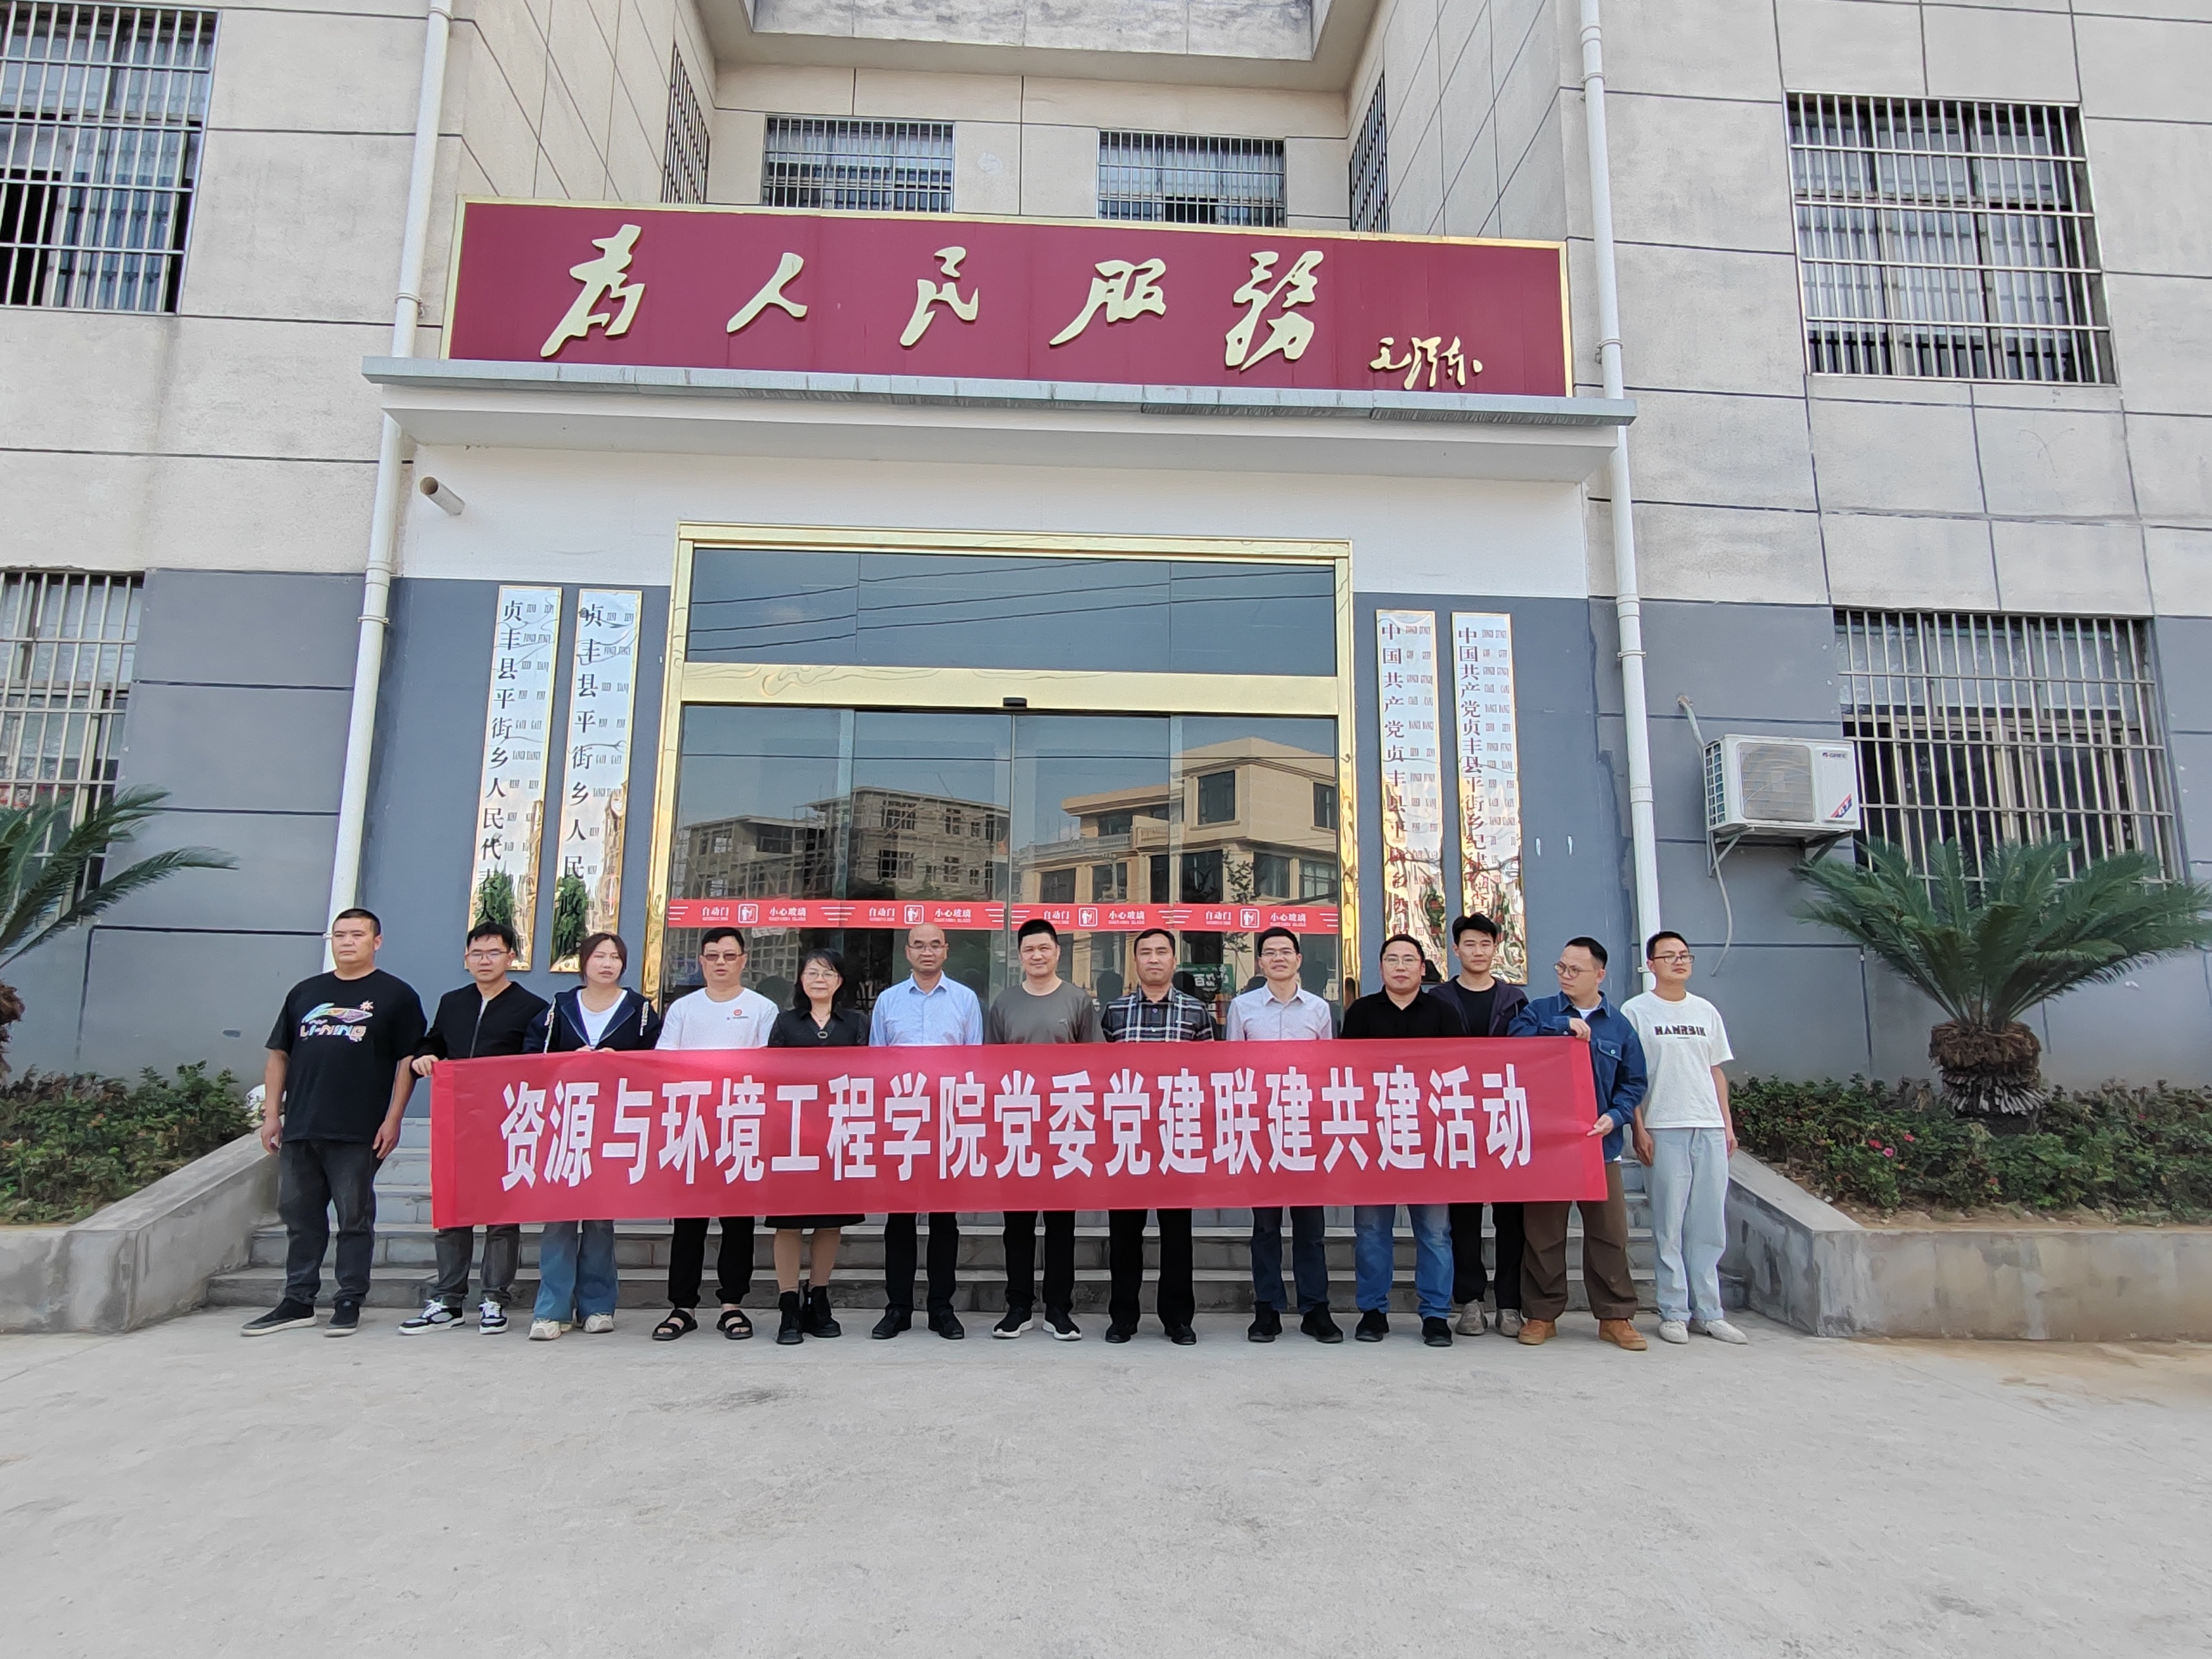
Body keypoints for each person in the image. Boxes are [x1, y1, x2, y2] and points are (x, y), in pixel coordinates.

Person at [241, 908, 427, 1338]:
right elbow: (279, 1056)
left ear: (376, 942)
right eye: (340, 934)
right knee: (300, 1217)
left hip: (358, 1128)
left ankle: (349, 1299)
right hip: (301, 1125)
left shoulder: (396, 995)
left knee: (354, 1219)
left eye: (357, 935)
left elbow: (407, 1062)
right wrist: (272, 1115)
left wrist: (394, 1118)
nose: (347, 942)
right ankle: (298, 1299)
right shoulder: (305, 992)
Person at [398, 920, 549, 1336]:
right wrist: (425, 1056)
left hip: (506, 1122)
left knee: (501, 1216)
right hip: (457, 1120)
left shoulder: (532, 1006)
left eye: (494, 953)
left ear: (511, 958)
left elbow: (538, 1062)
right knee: (452, 1210)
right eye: (477, 954)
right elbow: (434, 1041)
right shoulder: (453, 1002)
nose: (485, 961)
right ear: (466, 959)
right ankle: (448, 1298)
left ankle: (494, 1298)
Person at [1510, 935, 1649, 1351]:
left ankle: (1615, 1315)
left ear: (1599, 974)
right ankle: (1541, 1314)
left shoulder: (1619, 1026)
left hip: (1599, 1146)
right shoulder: (1538, 1012)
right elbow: (1512, 1044)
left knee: (1609, 1233)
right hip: (1549, 1145)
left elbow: (1633, 1082)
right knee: (1543, 1233)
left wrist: (1617, 1116)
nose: (1566, 975)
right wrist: (1560, 1027)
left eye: (1576, 970)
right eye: (1561, 968)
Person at [523, 931, 661, 1340]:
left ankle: (598, 1306)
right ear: (583, 962)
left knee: (601, 1217)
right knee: (559, 1218)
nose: (607, 964)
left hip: (613, 1123)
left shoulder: (639, 1010)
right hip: (565, 1122)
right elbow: (530, 1055)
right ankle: (551, 1310)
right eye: (599, 956)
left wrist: (624, 1063)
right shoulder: (560, 1007)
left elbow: (659, 1062)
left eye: (615, 957)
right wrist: (567, 1061)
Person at [651, 926, 775, 1343]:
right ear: (701, 961)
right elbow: (665, 1064)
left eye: (729, 955)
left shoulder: (762, 1009)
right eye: (713, 955)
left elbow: (767, 1067)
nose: (721, 962)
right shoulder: (683, 1009)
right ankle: (682, 1306)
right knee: (689, 1222)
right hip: (692, 1125)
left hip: (741, 1123)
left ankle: (732, 1305)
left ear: (743, 961)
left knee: (738, 1222)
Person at [1624, 931, 1748, 1347]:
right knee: (1669, 1225)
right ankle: (1674, 1310)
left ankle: (1709, 1312)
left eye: (1685, 955)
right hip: (1664, 1126)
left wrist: (1726, 1124)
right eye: (1669, 956)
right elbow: (1631, 1076)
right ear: (1651, 964)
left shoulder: (1706, 1011)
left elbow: (1715, 1071)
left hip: (1708, 1127)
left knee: (1709, 1224)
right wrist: (1638, 1127)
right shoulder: (1636, 1011)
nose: (1679, 962)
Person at [1341, 934, 1465, 1348]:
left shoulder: (1443, 1013)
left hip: (1430, 1139)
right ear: (1380, 968)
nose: (1400, 966)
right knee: (1371, 1231)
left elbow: (1461, 1071)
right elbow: (1345, 1072)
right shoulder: (1361, 1012)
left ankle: (1435, 1315)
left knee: (1435, 1232)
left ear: (1422, 969)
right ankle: (1373, 1311)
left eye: (1408, 959)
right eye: (1391, 959)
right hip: (1374, 1139)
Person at [985, 918, 1102, 1341]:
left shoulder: (1078, 1000)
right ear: (1020, 956)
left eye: (1044, 949)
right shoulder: (1004, 1003)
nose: (1037, 956)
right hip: (1017, 1125)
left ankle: (1058, 1308)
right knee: (1016, 1223)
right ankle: (1018, 1306)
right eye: (1029, 950)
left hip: (1063, 1126)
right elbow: (990, 1066)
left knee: (1060, 1223)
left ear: (1057, 953)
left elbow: (1094, 1063)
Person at [1226, 926, 1341, 1344]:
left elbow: (1328, 1071)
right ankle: (1267, 1309)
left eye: (1286, 951)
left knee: (1311, 1227)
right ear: (1260, 962)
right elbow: (1232, 1070)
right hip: (1261, 1128)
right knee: (1265, 1228)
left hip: (1306, 1129)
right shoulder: (1242, 1008)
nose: (1279, 958)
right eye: (1270, 952)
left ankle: (1316, 1308)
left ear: (1298, 959)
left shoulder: (1319, 1009)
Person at [867, 922, 982, 1341]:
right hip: (900, 1121)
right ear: (908, 952)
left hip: (947, 1121)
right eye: (919, 945)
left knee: (944, 1220)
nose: (927, 952)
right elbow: (876, 1062)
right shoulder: (888, 1000)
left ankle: (941, 1308)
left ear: (946, 951)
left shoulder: (965, 1000)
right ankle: (898, 1307)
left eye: (935, 945)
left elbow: (974, 1065)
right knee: (899, 1218)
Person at [1099, 927, 1212, 1346]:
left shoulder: (1196, 1012)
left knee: (1177, 1234)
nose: (1153, 959)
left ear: (1173, 959)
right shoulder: (1114, 1012)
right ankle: (1123, 1317)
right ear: (1135, 962)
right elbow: (1099, 1076)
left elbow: (1209, 1076)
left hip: (1177, 1135)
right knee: (1124, 1234)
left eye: (1161, 951)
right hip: (1127, 1135)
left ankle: (1178, 1318)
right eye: (1145, 952)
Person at [1427, 912, 1530, 1337]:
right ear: (1456, 950)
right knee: (1463, 1216)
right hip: (1456, 1117)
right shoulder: (1438, 1000)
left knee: (1511, 1216)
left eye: (1485, 944)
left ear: (1495, 947)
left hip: (1504, 1116)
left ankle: (1509, 1303)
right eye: (1469, 944)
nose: (1478, 951)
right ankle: (1470, 1301)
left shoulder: (1515, 1000)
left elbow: (1534, 1051)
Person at [764, 949, 869, 1345]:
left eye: (827, 973)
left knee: (830, 1219)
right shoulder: (786, 1022)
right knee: (788, 1221)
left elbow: (867, 1074)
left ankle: (819, 1297)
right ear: (801, 980)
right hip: (792, 1134)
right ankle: (789, 1303)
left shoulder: (855, 1023)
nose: (819, 980)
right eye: (812, 973)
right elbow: (770, 1075)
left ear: (839, 981)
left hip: (838, 1132)